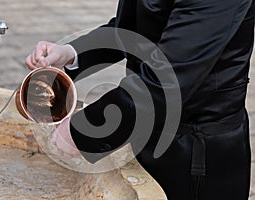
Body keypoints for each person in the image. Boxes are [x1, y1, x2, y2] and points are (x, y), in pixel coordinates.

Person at [25, 0, 254, 199]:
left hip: (197, 157)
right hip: (146, 134)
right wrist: (72, 53)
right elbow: (131, 30)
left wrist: (82, 132)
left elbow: (167, 80)